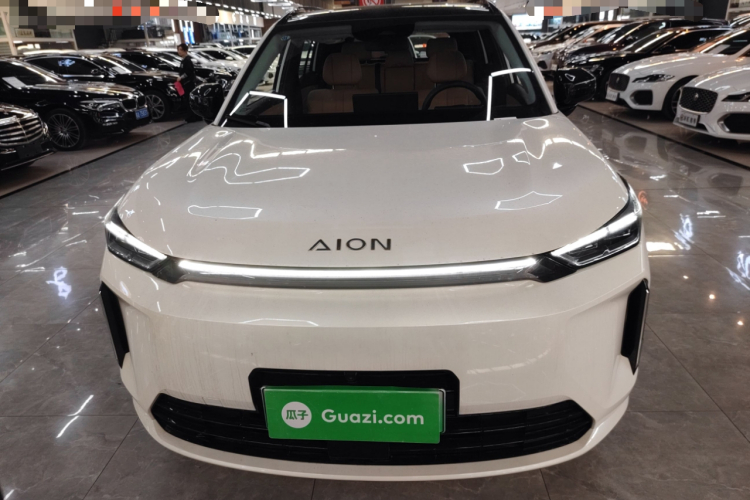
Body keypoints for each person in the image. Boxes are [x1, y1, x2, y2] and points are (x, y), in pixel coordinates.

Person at [176, 43, 200, 122]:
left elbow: (188, 72)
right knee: (188, 100)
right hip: (186, 83)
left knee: (189, 100)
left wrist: (181, 77)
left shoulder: (187, 60)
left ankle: (192, 117)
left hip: (189, 83)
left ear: (185, 50)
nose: (179, 51)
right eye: (178, 50)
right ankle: (192, 116)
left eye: (180, 50)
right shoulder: (183, 60)